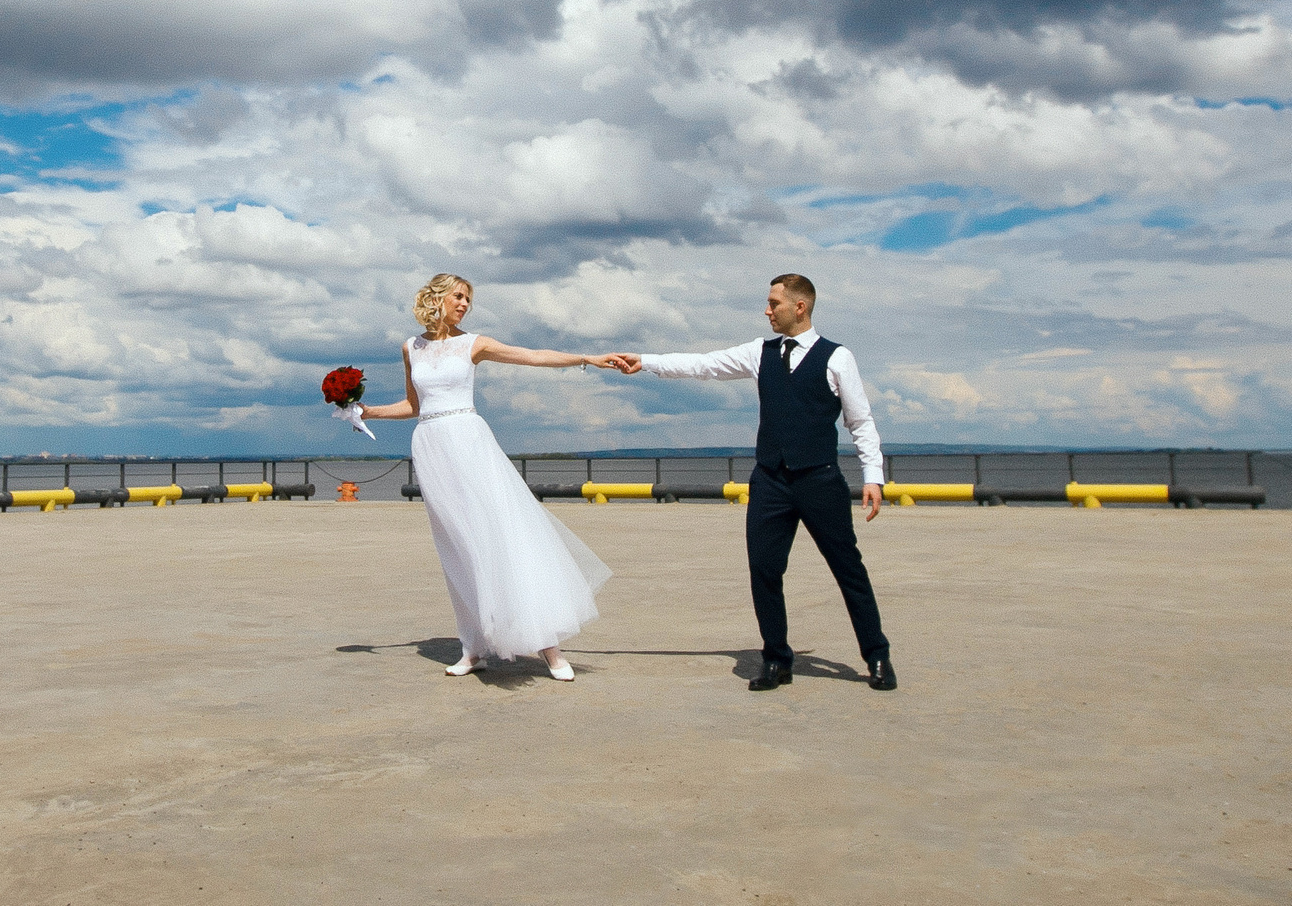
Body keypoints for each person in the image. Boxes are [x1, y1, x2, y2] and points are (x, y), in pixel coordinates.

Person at [603, 274, 894, 692]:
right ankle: (776, 659)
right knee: (764, 570)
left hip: (819, 480)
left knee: (848, 569)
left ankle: (877, 655)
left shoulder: (837, 358)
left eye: (774, 302)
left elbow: (860, 422)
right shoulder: (760, 352)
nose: (766, 310)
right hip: (771, 481)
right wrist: (645, 361)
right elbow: (703, 364)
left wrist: (873, 477)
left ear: (800, 307)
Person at [347, 273, 617, 681]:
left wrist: (587, 359)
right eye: (458, 296)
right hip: (432, 447)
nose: (464, 304)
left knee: (503, 535)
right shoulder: (410, 347)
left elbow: (534, 356)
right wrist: (367, 412)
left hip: (469, 441)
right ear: (435, 298)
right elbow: (416, 405)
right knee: (458, 547)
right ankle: (473, 647)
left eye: (468, 299)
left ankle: (549, 647)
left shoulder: (474, 343)